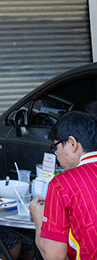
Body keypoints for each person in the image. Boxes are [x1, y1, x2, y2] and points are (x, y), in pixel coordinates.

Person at [29, 111, 97, 260]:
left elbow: (53, 255)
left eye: (55, 147)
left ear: (72, 143)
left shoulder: (62, 184)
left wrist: (39, 217)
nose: (57, 156)